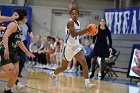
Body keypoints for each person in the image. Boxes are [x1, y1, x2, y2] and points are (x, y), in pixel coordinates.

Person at [50, 8, 96, 89]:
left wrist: (88, 31)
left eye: (76, 14)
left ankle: (87, 83)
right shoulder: (70, 22)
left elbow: (77, 36)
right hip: (68, 47)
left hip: (76, 46)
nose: (74, 15)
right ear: (70, 15)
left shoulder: (78, 22)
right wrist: (86, 30)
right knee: (64, 67)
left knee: (84, 63)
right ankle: (53, 74)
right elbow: (73, 34)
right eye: (73, 14)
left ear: (78, 15)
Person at [0, 8, 34, 93]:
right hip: (4, 50)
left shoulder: (20, 27)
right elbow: (5, 36)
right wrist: (6, 49)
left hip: (13, 52)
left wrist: (27, 52)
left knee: (15, 74)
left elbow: (19, 41)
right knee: (11, 72)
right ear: (25, 17)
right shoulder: (13, 24)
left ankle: (7, 90)